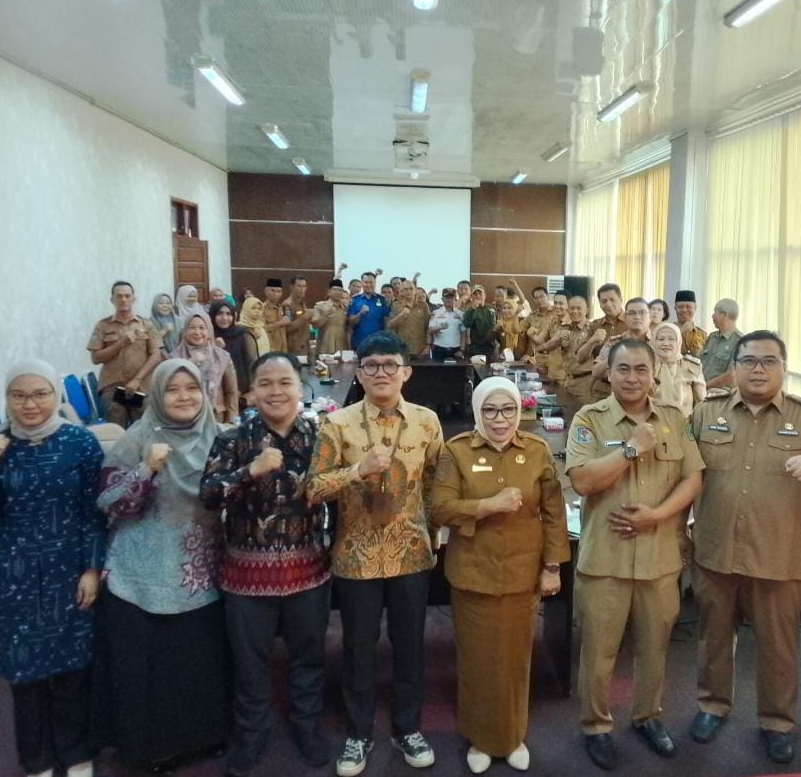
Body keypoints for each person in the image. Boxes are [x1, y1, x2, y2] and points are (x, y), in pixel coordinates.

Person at [690, 330, 801, 765]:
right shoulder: (706, 413)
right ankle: (712, 706)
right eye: (748, 361)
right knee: (713, 638)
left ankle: (777, 722)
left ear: (784, 368)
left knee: (779, 648)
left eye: (769, 361)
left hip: (780, 556)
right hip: (716, 550)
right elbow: (682, 473)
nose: (758, 369)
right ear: (735, 367)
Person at [307, 332, 443, 777]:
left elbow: (434, 485)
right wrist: (356, 470)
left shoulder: (427, 422)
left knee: (410, 646)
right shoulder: (337, 424)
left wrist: (434, 535)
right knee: (358, 649)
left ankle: (408, 728)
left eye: (390, 365)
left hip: (410, 553)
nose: (381, 372)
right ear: (359, 373)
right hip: (356, 556)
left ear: (406, 372)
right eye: (371, 366)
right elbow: (313, 488)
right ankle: (358, 732)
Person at [565, 339, 705, 771]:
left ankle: (648, 717)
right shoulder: (589, 418)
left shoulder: (675, 419)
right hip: (605, 559)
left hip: (659, 558)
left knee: (655, 648)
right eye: (623, 369)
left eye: (641, 369)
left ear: (654, 374)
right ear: (608, 372)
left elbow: (694, 477)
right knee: (599, 652)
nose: (632, 378)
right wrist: (630, 448)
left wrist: (658, 516)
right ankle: (596, 726)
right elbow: (583, 481)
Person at [200, 353, 332, 776]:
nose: (276, 391)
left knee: (309, 659)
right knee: (250, 664)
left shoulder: (321, 437)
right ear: (251, 392)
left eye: (285, 382)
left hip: (308, 572)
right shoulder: (232, 439)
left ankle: (307, 727)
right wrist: (248, 472)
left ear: (300, 388)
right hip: (246, 576)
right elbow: (208, 496)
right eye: (266, 383)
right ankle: (252, 734)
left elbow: (338, 493)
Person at [95, 359, 230, 771]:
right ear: (156, 394)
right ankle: (147, 749)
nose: (184, 397)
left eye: (192, 388)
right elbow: (108, 503)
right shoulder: (136, 439)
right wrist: (146, 469)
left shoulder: (220, 438)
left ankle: (202, 738)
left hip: (199, 573)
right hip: (141, 573)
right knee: (149, 670)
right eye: (172, 389)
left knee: (195, 662)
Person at [431, 376, 570, 774]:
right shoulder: (456, 451)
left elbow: (554, 513)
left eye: (508, 409)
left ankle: (511, 738)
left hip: (523, 573)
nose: (499, 419)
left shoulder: (537, 450)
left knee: (514, 660)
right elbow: (439, 508)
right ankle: (480, 738)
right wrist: (487, 506)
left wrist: (552, 566)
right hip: (473, 573)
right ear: (477, 412)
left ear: (518, 411)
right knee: (477, 660)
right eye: (490, 410)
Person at [0, 361, 105, 777]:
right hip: (15, 574)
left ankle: (75, 753)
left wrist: (92, 568)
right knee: (24, 673)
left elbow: (94, 513)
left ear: (55, 395)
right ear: (7, 399)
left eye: (40, 394)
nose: (30, 404)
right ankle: (36, 760)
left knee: (72, 669)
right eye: (18, 396)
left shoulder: (80, 443)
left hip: (69, 568)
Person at [88, 280, 163, 426]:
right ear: (112, 299)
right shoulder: (103, 326)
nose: (123, 299)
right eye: (119, 296)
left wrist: (137, 379)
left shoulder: (146, 324)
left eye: (127, 296)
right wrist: (120, 344)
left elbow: (156, 355)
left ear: (133, 299)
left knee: (143, 429)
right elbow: (95, 358)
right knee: (115, 431)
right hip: (113, 389)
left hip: (141, 387)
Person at [172, 312, 240, 424]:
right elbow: (172, 387)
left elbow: (231, 392)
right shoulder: (174, 357)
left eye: (202, 328)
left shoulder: (222, 356)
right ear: (185, 331)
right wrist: (190, 363)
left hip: (215, 417)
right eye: (192, 328)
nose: (197, 332)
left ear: (209, 331)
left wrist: (232, 421)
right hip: (185, 418)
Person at [591, 298, 653, 381]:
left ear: (650, 317)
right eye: (632, 313)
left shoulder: (659, 342)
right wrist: (615, 356)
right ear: (625, 318)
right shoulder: (614, 343)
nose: (637, 317)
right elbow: (596, 373)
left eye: (642, 312)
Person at [583, 283, 627, 401]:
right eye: (604, 301)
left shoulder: (631, 322)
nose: (608, 304)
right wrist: (592, 341)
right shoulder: (594, 325)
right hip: (601, 388)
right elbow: (580, 358)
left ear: (621, 299)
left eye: (612, 299)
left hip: (626, 387)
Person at [651, 322, 705, 416]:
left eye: (671, 339)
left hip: (684, 421)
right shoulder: (646, 367)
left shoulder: (691, 366)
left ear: (679, 342)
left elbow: (701, 401)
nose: (666, 343)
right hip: (653, 421)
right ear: (654, 342)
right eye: (661, 339)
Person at [211, 300, 259, 403]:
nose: (224, 318)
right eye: (220, 313)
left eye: (228, 314)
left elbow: (252, 364)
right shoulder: (207, 337)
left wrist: (251, 389)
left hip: (242, 393)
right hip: (216, 394)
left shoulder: (242, 334)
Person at [556, 295, 594, 425]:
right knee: (569, 420)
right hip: (568, 381)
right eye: (572, 308)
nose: (575, 311)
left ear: (586, 310)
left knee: (585, 422)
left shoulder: (592, 329)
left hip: (585, 383)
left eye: (579, 308)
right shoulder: (566, 329)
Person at [700, 298, 742, 391]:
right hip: (701, 392)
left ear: (724, 315)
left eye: (715, 312)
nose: (712, 316)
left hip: (719, 396)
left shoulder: (740, 341)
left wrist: (703, 387)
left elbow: (731, 376)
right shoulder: (712, 337)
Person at [348, 271, 392, 349]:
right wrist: (360, 313)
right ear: (362, 283)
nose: (368, 285)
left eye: (371, 282)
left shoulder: (382, 300)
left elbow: (386, 322)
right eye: (366, 282)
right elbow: (351, 323)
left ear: (375, 283)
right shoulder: (355, 300)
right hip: (359, 342)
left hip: (378, 343)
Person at [534, 290, 570, 383]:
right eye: (555, 302)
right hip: (552, 373)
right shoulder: (553, 320)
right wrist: (531, 333)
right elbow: (540, 339)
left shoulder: (571, 323)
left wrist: (538, 349)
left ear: (568, 305)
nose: (557, 306)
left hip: (564, 376)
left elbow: (551, 344)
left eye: (561, 303)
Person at [387, 280, 429, 357]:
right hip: (402, 350)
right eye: (406, 289)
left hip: (420, 350)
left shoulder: (423, 305)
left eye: (411, 288)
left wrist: (428, 346)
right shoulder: (396, 305)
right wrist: (402, 314)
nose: (409, 291)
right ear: (401, 291)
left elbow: (428, 327)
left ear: (415, 290)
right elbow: (390, 325)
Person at [428, 287, 465, 361]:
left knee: (458, 369)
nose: (449, 300)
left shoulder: (461, 314)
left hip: (456, 350)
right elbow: (430, 331)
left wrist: (462, 350)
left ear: (455, 299)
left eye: (451, 297)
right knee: (438, 368)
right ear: (442, 299)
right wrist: (440, 327)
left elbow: (463, 334)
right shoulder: (436, 313)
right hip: (439, 349)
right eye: (446, 297)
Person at [462, 285, 498, 360]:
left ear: (485, 295)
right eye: (475, 294)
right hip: (476, 349)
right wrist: (473, 308)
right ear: (472, 297)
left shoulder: (492, 309)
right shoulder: (470, 310)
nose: (478, 296)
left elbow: (497, 325)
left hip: (491, 349)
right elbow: (467, 324)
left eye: (480, 293)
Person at [283, 276, 315, 357]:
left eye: (304, 286)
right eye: (299, 286)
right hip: (294, 348)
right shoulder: (287, 305)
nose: (302, 289)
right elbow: (287, 328)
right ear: (292, 287)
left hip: (305, 346)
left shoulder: (301, 302)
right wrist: (304, 317)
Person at [313, 283, 348, 356]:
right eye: (335, 289)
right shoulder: (320, 306)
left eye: (340, 290)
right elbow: (315, 326)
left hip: (342, 349)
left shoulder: (346, 307)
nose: (338, 292)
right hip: (325, 348)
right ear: (329, 292)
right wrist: (326, 315)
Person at [674, 291, 707, 358]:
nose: (684, 310)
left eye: (688, 307)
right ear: (675, 308)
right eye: (680, 307)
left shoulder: (702, 334)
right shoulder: (666, 331)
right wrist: (680, 331)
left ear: (695, 308)